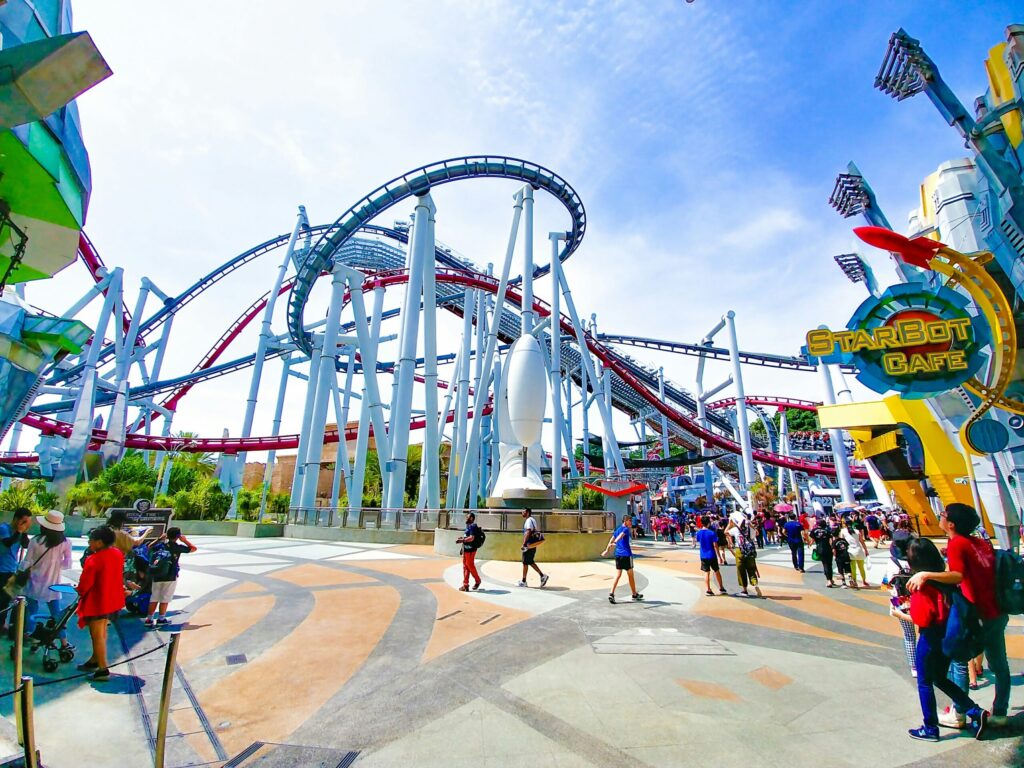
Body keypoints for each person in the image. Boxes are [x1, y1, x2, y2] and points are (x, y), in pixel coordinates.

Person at [907, 503, 1010, 728]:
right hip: (997, 611)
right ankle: (1000, 712)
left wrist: (925, 574)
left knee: (958, 663)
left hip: (976, 615)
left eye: (942, 515)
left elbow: (957, 576)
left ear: (951, 524)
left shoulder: (957, 544)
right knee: (999, 665)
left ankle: (961, 712)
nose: (940, 517)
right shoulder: (979, 542)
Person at [892, 538, 989, 741]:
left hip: (930, 636)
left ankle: (930, 728)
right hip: (947, 634)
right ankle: (973, 711)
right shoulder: (944, 580)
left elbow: (923, 618)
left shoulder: (920, 584)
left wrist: (901, 614)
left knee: (924, 681)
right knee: (940, 678)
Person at [76, 526, 125, 681]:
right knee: (102, 631)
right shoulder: (117, 554)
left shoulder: (94, 559)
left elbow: (86, 583)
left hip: (98, 601)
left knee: (97, 635)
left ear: (99, 542)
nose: (89, 542)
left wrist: (80, 590)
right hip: (112, 599)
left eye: (91, 540)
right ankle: (94, 659)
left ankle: (103, 669)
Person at [18, 511, 72, 649]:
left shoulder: (35, 541)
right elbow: (67, 565)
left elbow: (26, 562)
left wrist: (19, 573)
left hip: (34, 583)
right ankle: (64, 642)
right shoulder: (66, 543)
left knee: (31, 611)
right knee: (57, 614)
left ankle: (31, 636)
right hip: (53, 585)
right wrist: (55, 563)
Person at [144, 527, 196, 627]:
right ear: (177, 537)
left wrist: (159, 539)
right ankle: (161, 618)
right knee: (165, 598)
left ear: (167, 535)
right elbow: (193, 549)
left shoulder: (161, 545)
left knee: (154, 597)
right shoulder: (177, 547)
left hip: (157, 575)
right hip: (170, 576)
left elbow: (149, 547)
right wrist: (184, 540)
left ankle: (149, 619)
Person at [0, 508, 32, 634]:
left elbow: (25, 544)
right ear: (16, 519)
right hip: (1, 569)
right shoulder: (4, 529)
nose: (25, 525)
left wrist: (23, 532)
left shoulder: (19, 533)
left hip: (11, 569)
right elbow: (8, 542)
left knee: (6, 600)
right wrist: (19, 531)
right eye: (24, 522)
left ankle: (1, 625)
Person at [602, 514, 643, 603]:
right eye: (630, 520)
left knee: (618, 575)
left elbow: (611, 540)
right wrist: (616, 542)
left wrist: (606, 550)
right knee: (630, 575)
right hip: (626, 556)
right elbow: (620, 536)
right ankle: (634, 594)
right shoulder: (625, 529)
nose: (631, 522)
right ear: (625, 521)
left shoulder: (618, 529)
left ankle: (611, 594)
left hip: (618, 556)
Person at [696, 516, 727, 596]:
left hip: (703, 555)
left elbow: (699, 541)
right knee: (716, 571)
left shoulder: (699, 533)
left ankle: (708, 589)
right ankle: (721, 587)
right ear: (708, 523)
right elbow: (715, 545)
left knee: (706, 572)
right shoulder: (712, 533)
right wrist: (719, 556)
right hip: (712, 554)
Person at [518, 509, 549, 588]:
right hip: (532, 545)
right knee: (530, 561)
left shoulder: (528, 520)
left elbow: (528, 531)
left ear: (527, 513)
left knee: (525, 562)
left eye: (524, 511)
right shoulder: (533, 520)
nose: (522, 512)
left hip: (528, 545)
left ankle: (524, 581)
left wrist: (524, 544)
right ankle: (542, 576)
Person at [455, 512, 483, 592]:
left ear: (471, 518)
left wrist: (462, 540)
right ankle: (465, 585)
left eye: (467, 517)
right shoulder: (468, 526)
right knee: (465, 566)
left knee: (470, 565)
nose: (466, 518)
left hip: (471, 550)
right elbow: (467, 537)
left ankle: (478, 580)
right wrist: (463, 540)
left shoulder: (472, 526)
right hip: (466, 549)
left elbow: (472, 538)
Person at [842, 518, 870, 588]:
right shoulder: (857, 531)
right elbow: (862, 542)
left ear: (845, 524)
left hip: (850, 551)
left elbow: (842, 542)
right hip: (859, 550)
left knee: (853, 568)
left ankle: (855, 581)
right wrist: (866, 550)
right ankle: (864, 581)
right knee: (861, 568)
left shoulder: (843, 531)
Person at [809, 518, 836, 588]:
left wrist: (809, 544)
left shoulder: (814, 531)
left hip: (820, 549)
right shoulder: (828, 530)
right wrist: (833, 548)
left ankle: (829, 580)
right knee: (829, 564)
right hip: (828, 548)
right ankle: (830, 579)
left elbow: (812, 540)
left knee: (825, 565)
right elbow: (831, 541)